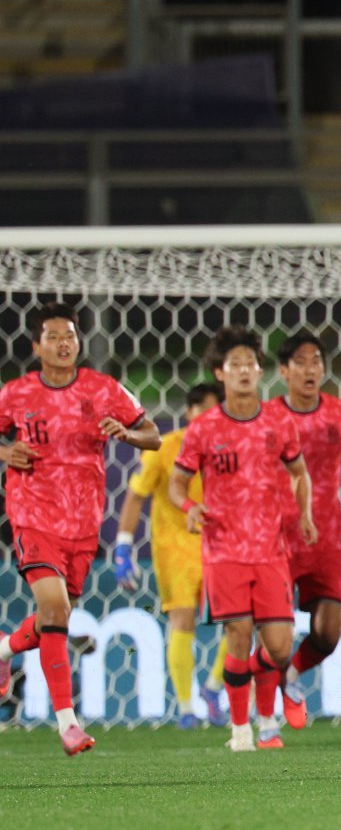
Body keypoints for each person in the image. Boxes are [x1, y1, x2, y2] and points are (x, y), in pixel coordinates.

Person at [0, 302, 161, 755]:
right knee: (53, 609)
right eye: (53, 336)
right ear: (36, 347)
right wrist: (5, 453)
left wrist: (128, 436)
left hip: (83, 524)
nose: (63, 343)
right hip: (33, 515)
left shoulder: (102, 389)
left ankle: (4, 651)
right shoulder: (16, 394)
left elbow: (154, 435)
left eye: (69, 335)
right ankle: (68, 724)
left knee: (57, 616)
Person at [170, 326, 315, 752]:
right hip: (223, 550)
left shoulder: (278, 421)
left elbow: (299, 472)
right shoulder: (203, 429)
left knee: (279, 646)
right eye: (235, 365)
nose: (245, 371)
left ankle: (262, 710)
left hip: (271, 550)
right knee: (238, 634)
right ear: (220, 373)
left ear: (259, 371)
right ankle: (247, 728)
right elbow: (177, 484)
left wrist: (303, 513)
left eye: (251, 364)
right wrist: (189, 508)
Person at [265, 330, 341, 731]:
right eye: (301, 362)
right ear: (283, 370)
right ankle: (260, 715)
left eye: (317, 362)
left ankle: (290, 678)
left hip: (327, 535)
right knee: (271, 634)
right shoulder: (267, 416)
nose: (310, 369)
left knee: (329, 632)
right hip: (275, 537)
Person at [114, 381, 230, 728]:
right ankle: (185, 708)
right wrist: (123, 546)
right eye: (202, 411)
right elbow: (136, 495)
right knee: (183, 619)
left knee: (240, 621)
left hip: (221, 545)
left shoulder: (229, 449)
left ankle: (212, 689)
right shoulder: (165, 448)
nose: (207, 418)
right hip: (174, 546)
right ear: (189, 413)